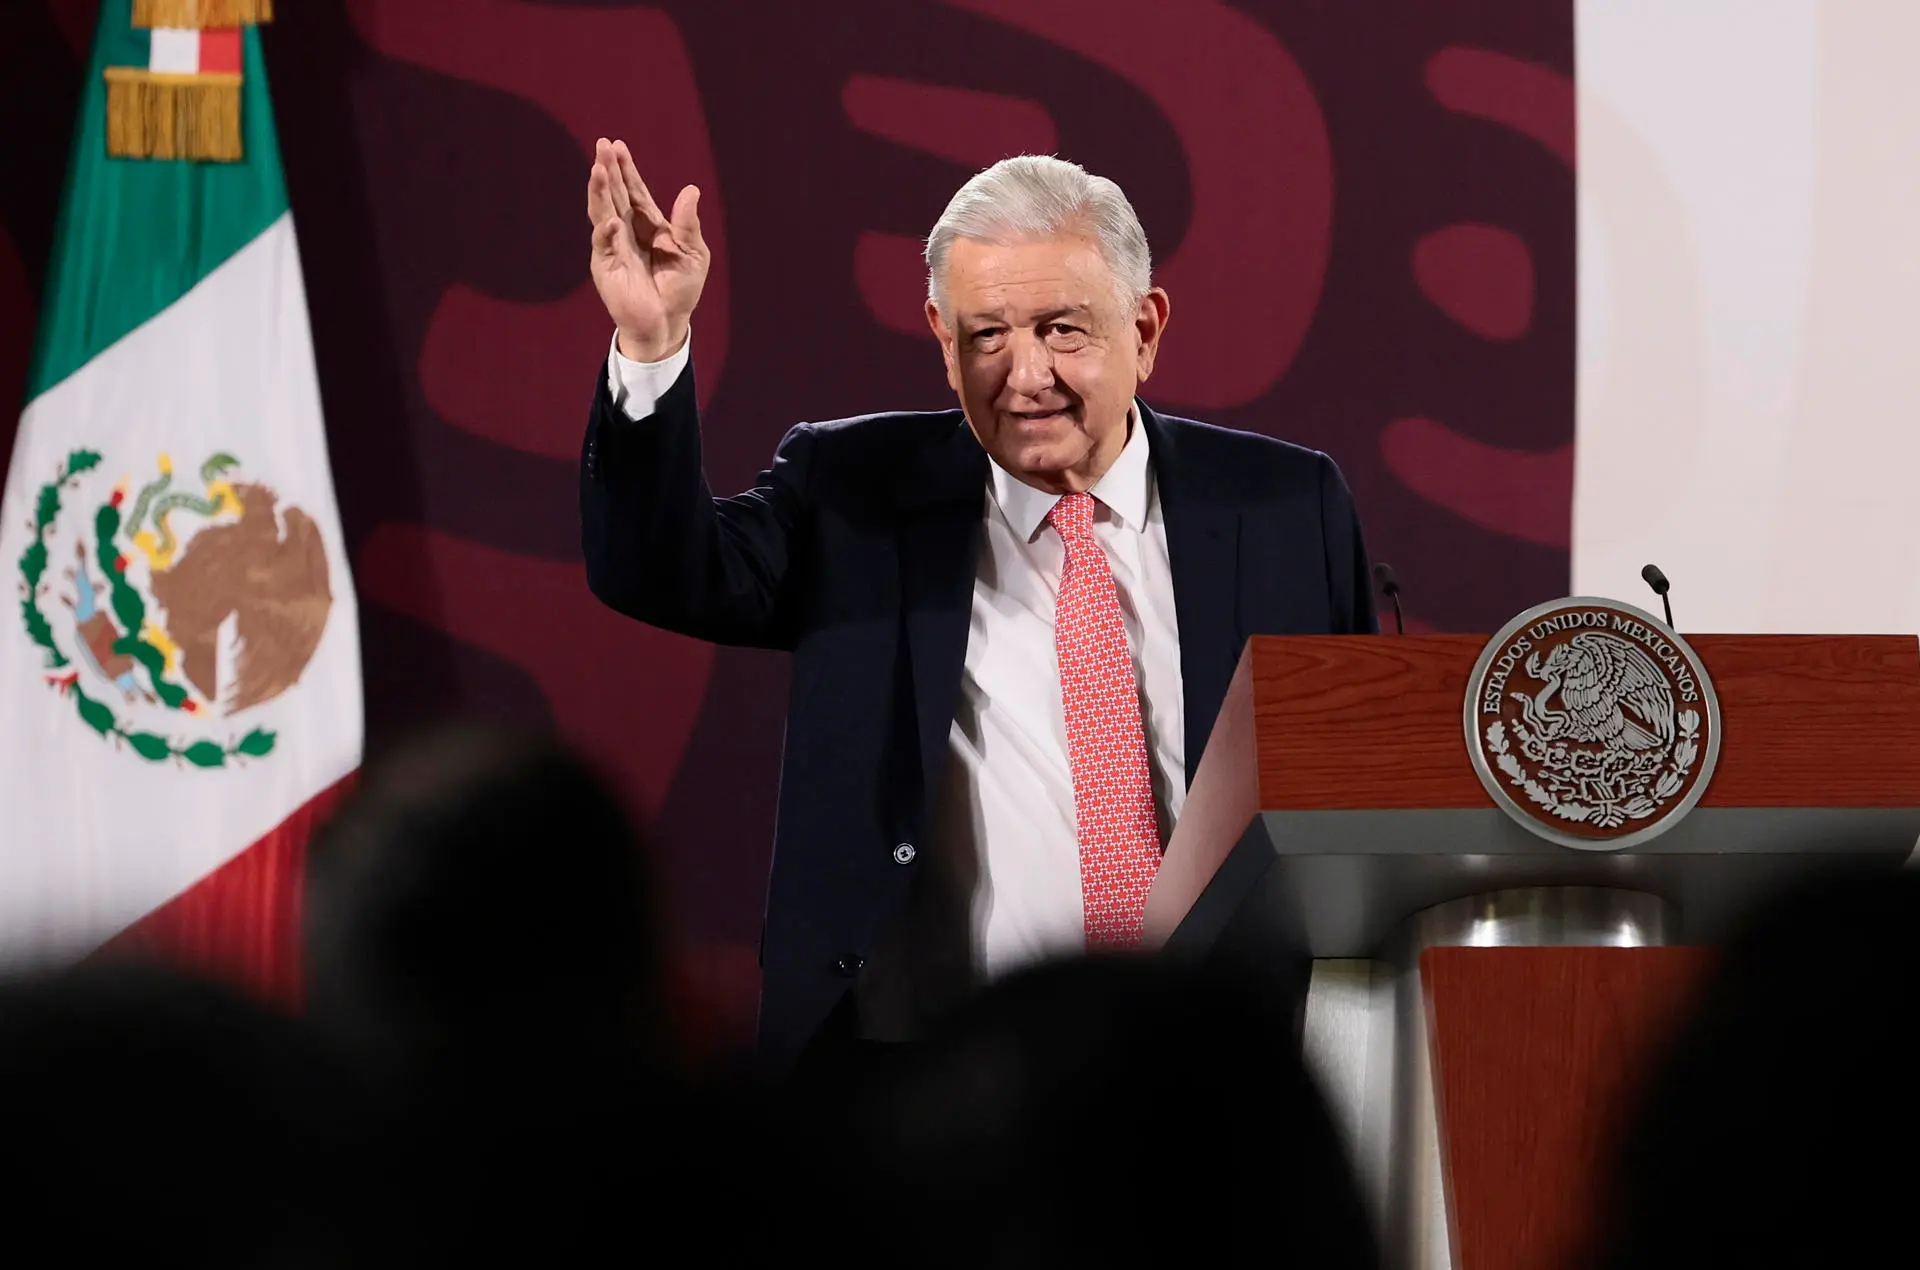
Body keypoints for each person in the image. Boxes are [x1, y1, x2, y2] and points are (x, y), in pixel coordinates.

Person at [580, 141, 1376, 1072]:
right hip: (932, 1081)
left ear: (1147, 329)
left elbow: (1354, 793)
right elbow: (659, 570)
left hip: (1219, 1071)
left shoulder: (1285, 505)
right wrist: (649, 345)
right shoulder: (856, 491)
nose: (1024, 373)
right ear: (942, 340)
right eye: (986, 335)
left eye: (1062, 329)